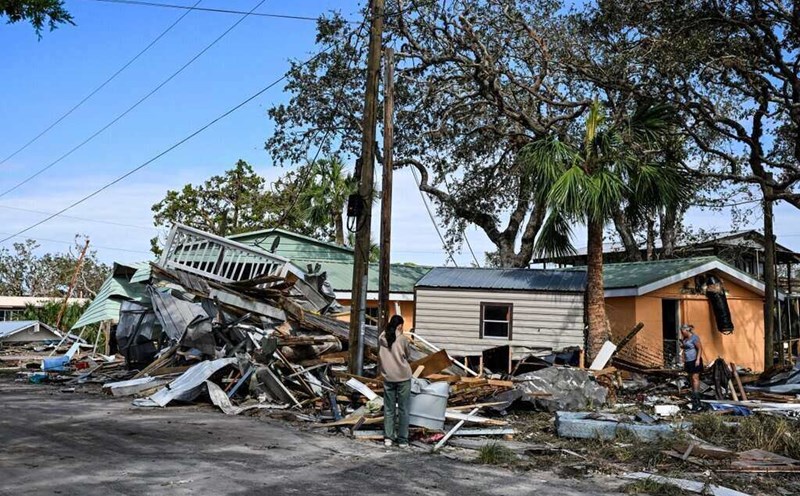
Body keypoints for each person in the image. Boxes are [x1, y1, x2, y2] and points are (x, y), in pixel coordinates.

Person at [378, 315, 411, 448]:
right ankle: (403, 440)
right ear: (400, 326)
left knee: (389, 409)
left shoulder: (382, 338)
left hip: (388, 377)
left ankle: (388, 438)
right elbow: (407, 355)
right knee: (403, 409)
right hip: (403, 376)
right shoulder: (402, 339)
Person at [680, 324, 704, 411]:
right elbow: (685, 348)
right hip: (688, 361)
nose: (682, 334)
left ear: (687, 331)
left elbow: (700, 348)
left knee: (695, 378)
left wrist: (697, 360)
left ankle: (697, 399)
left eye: (683, 332)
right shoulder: (685, 339)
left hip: (694, 360)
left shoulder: (694, 337)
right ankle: (694, 398)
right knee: (691, 379)